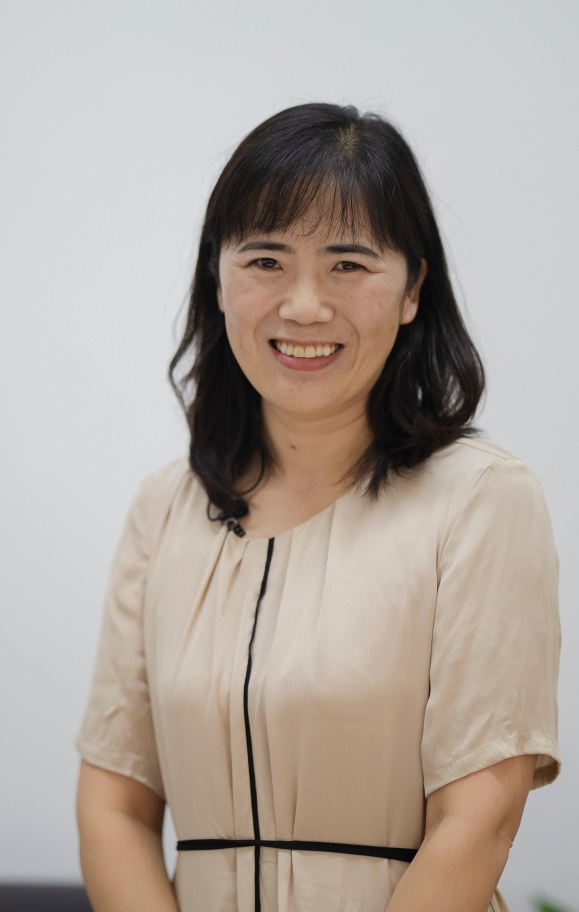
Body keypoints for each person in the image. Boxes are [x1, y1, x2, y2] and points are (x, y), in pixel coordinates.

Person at [75, 103, 560, 912]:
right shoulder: (164, 509)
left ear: (413, 289)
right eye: (266, 260)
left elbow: (479, 820)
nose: (304, 305)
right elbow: (113, 806)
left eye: (348, 264)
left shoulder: (483, 501)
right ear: (218, 279)